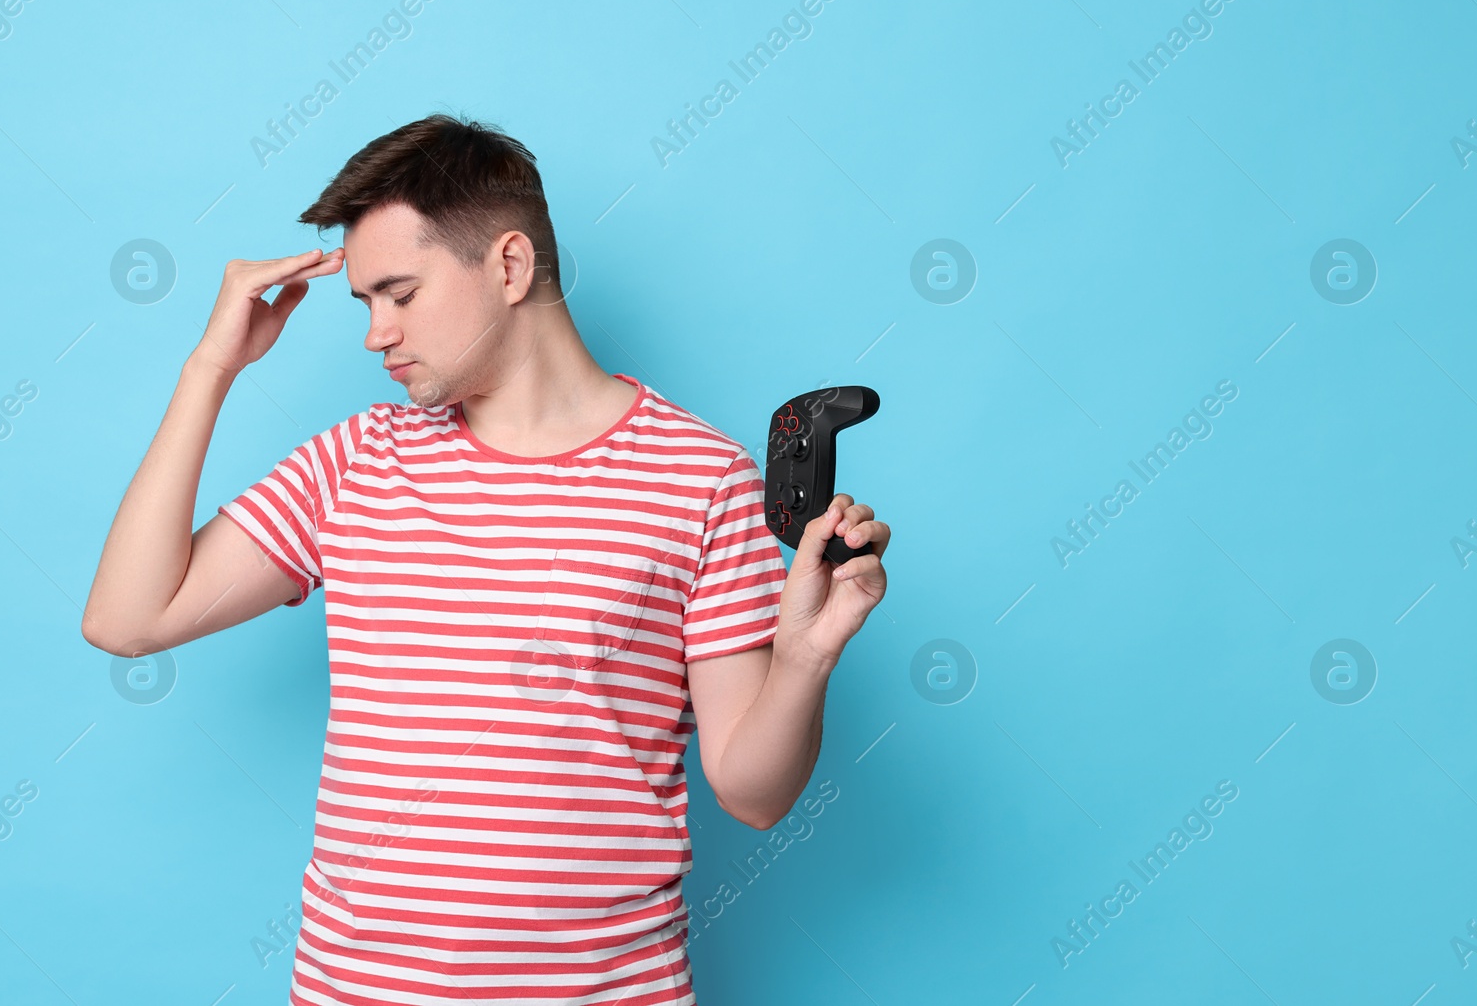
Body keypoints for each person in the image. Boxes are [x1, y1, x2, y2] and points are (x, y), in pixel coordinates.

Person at [81, 113, 891, 1005]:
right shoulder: (352, 464)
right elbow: (128, 619)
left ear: (509, 266)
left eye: (399, 292)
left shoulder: (700, 477)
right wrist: (210, 368)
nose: (374, 334)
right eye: (365, 303)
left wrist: (807, 656)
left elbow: (753, 792)